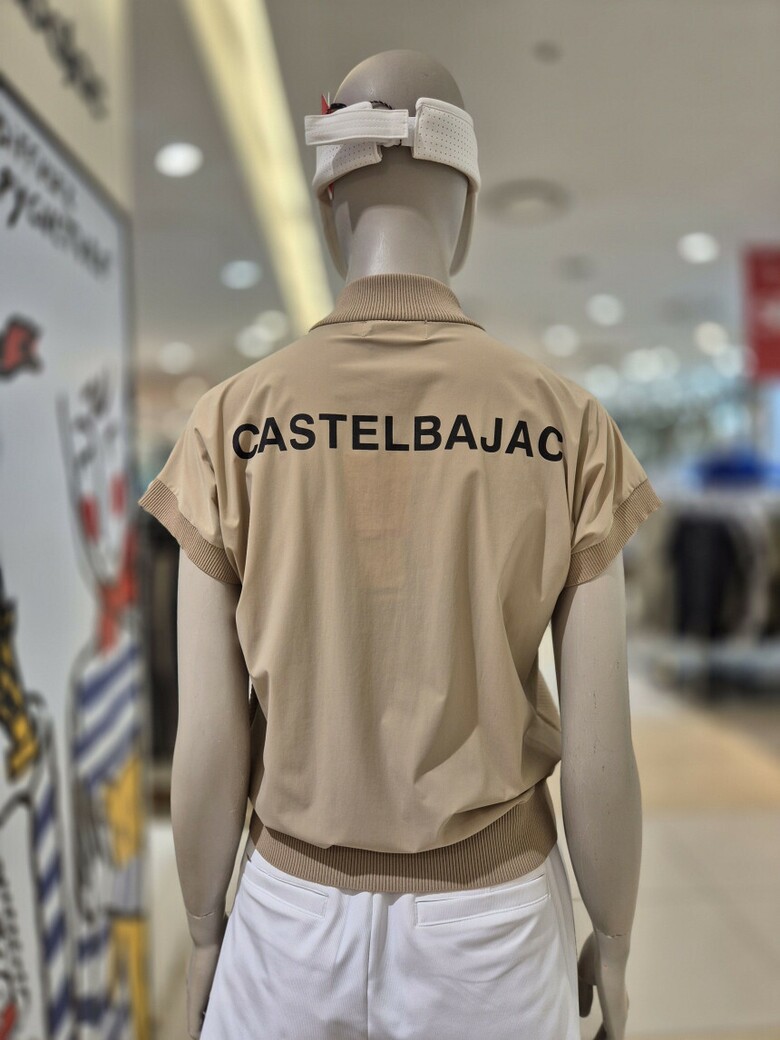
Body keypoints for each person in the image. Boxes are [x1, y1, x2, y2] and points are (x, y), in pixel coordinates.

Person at [138, 48, 661, 1040]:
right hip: (495, 929)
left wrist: (206, 928)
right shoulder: (567, 424)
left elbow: (208, 734)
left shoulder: (228, 423)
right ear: (466, 202)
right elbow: (603, 741)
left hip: (287, 921)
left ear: (329, 199)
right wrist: (616, 931)